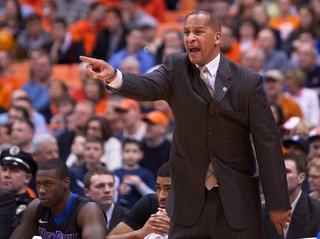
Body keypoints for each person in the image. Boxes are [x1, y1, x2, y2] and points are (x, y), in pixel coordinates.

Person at [80, 10, 291, 238]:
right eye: (186, 32)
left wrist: (277, 202)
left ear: (217, 37)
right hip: (189, 201)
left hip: (237, 201)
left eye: (198, 32)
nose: (190, 38)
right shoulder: (175, 67)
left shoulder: (248, 82)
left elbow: (268, 143)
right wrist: (114, 76)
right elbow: (147, 84)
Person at [9, 158, 107, 239]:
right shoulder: (35, 207)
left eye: (48, 184)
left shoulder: (87, 210)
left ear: (66, 183)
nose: (41, 190)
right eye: (38, 184)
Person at [107, 161, 171, 239]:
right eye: (158, 188)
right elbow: (109, 237)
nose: (161, 196)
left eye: (169, 189)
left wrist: (175, 229)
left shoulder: (189, 212)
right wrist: (140, 233)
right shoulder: (149, 203)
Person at [263, 153, 320, 238]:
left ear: (301, 177)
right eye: (277, 172)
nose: (280, 176)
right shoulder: (262, 211)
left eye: (286, 172)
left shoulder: (317, 211)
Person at [83, 167, 129, 232]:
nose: (107, 190)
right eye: (100, 186)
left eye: (111, 185)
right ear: (87, 192)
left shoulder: (129, 218)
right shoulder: (78, 218)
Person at [113, 138, 156, 209]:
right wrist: (119, 192)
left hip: (141, 212)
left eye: (134, 151)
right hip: (120, 212)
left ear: (141, 154)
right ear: (121, 153)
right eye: (127, 151)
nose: (131, 154)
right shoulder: (115, 174)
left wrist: (139, 184)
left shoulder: (146, 173)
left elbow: (155, 198)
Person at [0, 146, 38, 224]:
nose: (6, 175)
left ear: (27, 178)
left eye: (14, 171)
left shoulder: (33, 207)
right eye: (4, 169)